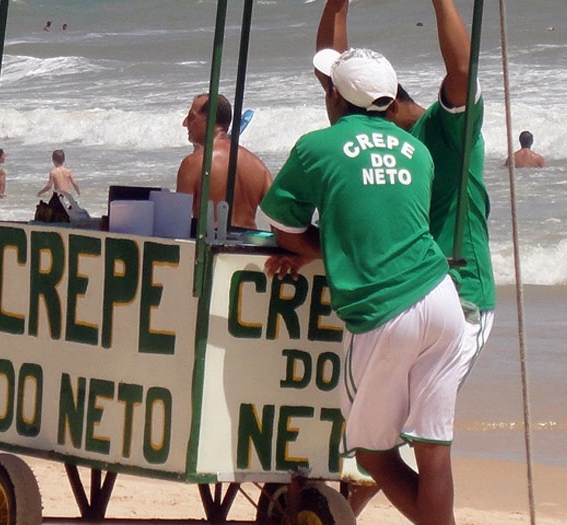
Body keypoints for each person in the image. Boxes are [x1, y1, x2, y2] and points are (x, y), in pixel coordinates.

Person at [259, 47, 466, 525]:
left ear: (334, 95)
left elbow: (282, 227)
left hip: (383, 310)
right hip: (441, 299)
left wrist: (322, 251)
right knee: (435, 454)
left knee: (372, 455)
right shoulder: (417, 150)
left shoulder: (316, 147)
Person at [316, 0, 495, 383]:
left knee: (418, 427)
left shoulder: (446, 132)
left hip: (460, 294)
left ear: (389, 104)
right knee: (391, 429)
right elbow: (330, 70)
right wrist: (337, 6)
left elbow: (463, 71)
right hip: (403, 295)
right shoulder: (376, 136)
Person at [176, 93, 272, 230]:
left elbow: (179, 222)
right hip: (250, 248)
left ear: (210, 120)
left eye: (191, 117)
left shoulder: (194, 163)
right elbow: (279, 219)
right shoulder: (258, 165)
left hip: (211, 247)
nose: (185, 123)